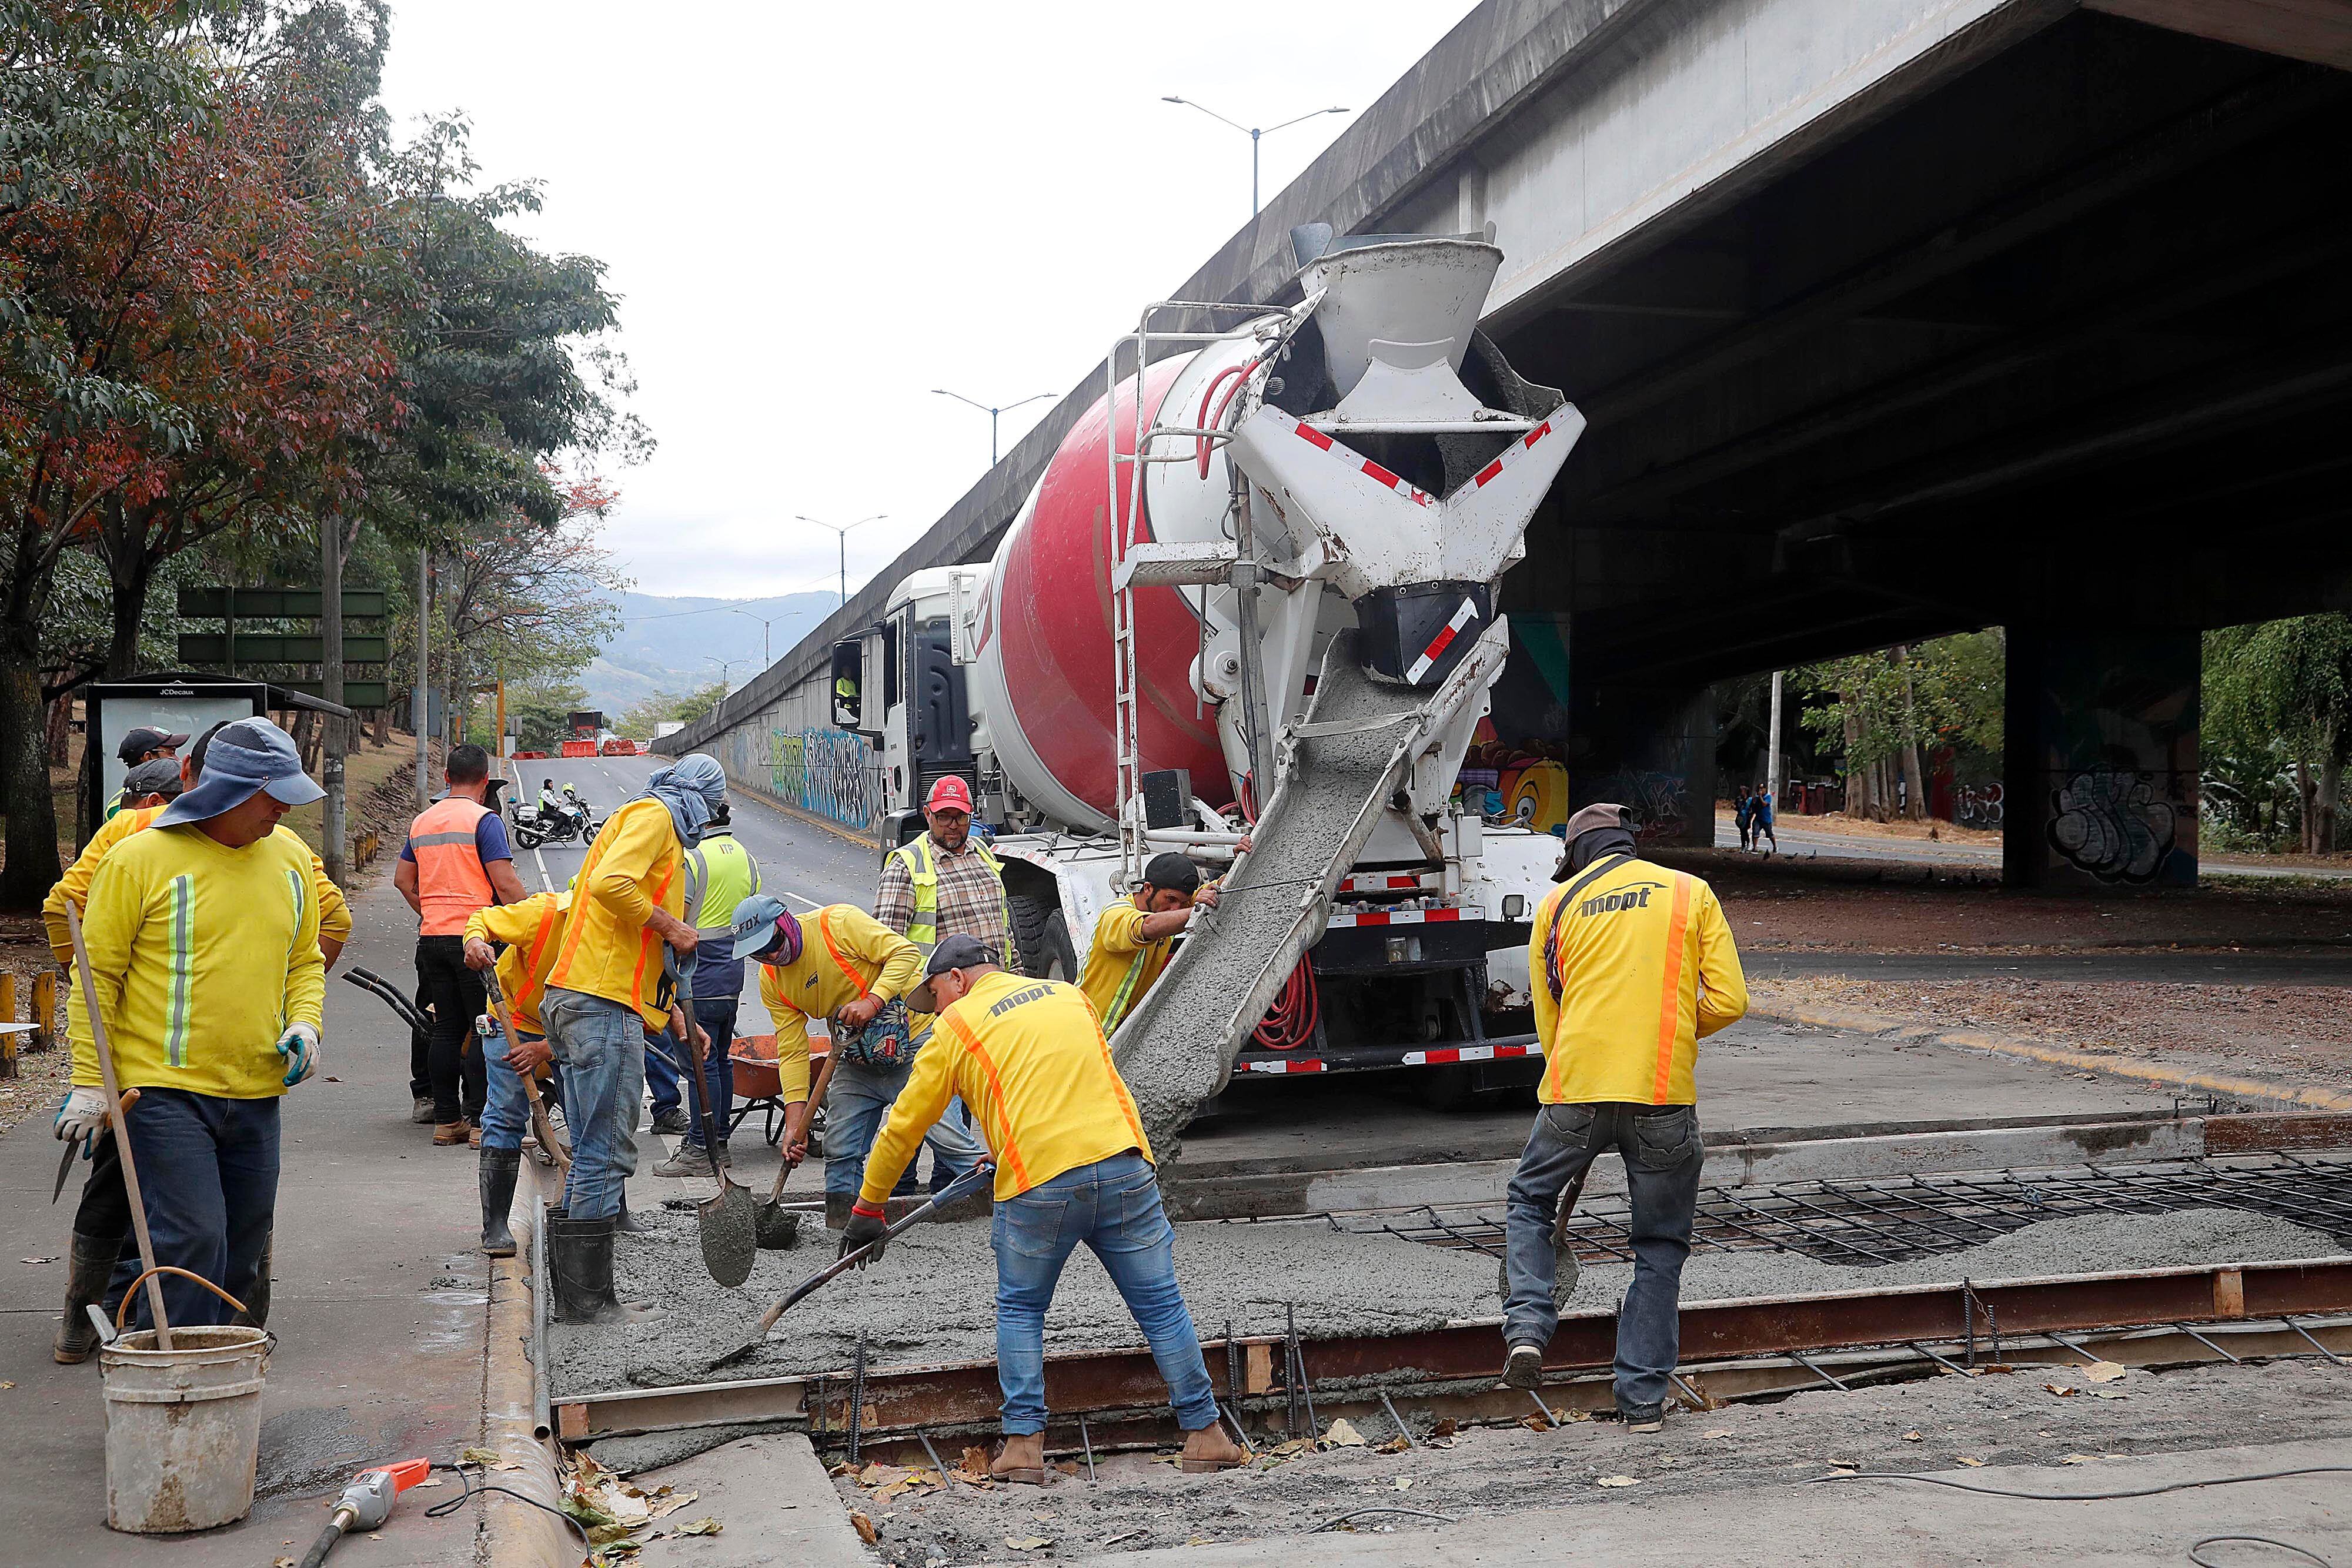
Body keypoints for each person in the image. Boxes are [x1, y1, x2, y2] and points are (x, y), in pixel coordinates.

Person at [841, 935, 1244, 1481]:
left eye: (934, 994)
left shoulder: (955, 1025)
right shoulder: (1067, 995)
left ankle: (1025, 1447)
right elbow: (1070, 1081)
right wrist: (1004, 1140)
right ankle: (1206, 1434)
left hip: (1039, 1183)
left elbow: (903, 1126)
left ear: (957, 979)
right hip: (1124, 1162)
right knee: (1162, 1305)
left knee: (1022, 1309)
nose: (935, 1008)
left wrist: (869, 1206)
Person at [43, 721, 348, 1361]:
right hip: (162, 1093)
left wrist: (304, 1024)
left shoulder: (290, 856)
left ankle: (223, 1386)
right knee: (189, 1245)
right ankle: (165, 1386)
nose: (283, 809)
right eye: (269, 797)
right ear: (215, 791)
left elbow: (303, 961)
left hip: (258, 1091)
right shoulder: (138, 859)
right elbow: (94, 978)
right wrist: (90, 1082)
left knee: (243, 1250)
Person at [1501, 803, 1747, 1431]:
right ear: (1627, 846)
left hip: (1575, 1090)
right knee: (1659, 1248)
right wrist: (1669, 1034)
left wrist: (1573, 1087)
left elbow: (1549, 1017)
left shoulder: (1556, 906)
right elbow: (1730, 999)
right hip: (1661, 1094)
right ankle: (1640, 1404)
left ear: (1579, 857)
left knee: (1530, 1201)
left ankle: (1528, 1325)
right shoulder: (1691, 893)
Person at [537, 755, 726, 1321]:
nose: (709, 819)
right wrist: (672, 924)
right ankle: (589, 1303)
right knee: (604, 1151)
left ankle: (573, 1296)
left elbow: (634, 947)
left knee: (591, 1148)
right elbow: (610, 883)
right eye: (713, 806)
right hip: (600, 1004)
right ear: (697, 796)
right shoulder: (655, 816)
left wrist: (674, 1019)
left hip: (581, 995)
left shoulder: (640, 818)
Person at [725, 893, 984, 1226]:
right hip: (856, 1055)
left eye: (773, 942)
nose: (772, 955)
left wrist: (873, 1001)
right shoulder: (772, 981)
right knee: (839, 1143)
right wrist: (795, 1121)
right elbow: (791, 1050)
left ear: (785, 921)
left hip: (912, 1041)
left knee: (944, 1133)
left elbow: (904, 953)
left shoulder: (837, 924)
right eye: (760, 952)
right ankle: (846, 1223)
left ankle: (1002, 1199)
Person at [874, 774, 1006, 1193]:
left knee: (965, 1090)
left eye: (961, 816)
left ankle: (950, 1184)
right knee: (924, 1095)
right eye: (945, 816)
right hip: (931, 1004)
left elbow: (1002, 928)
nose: (953, 824)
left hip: (984, 999)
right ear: (928, 814)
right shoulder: (907, 864)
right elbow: (885, 940)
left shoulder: (983, 855)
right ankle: (901, 1184)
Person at [395, 744, 527, 1145]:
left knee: (446, 1028)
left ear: (447, 777)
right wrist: (532, 920)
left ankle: (447, 1120)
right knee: (483, 1027)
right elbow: (504, 883)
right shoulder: (484, 820)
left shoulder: (422, 821)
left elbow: (403, 880)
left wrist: (431, 909)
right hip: (476, 941)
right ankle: (479, 1122)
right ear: (486, 780)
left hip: (432, 938)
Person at [648, 801, 763, 1171]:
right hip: (732, 977)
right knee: (722, 1062)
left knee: (701, 1064)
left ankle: (701, 1146)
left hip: (695, 978)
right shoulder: (747, 858)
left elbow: (673, 919)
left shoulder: (693, 858)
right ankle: (721, 1144)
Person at [463, 888, 573, 1256]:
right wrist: (475, 942)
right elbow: (481, 920)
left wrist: (547, 1049)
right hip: (512, 1017)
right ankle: (495, 1224)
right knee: (507, 1111)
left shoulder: (615, 929)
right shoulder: (542, 914)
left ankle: (606, 1211)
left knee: (593, 1111)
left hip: (571, 1026)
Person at [1079, 851, 1220, 1036]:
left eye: (1183, 902)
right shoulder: (1115, 914)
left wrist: (1240, 859)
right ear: (1147, 888)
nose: (1175, 908)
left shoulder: (1172, 907)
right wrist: (1194, 912)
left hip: (1122, 1036)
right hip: (1087, 1030)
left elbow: (1214, 889)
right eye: (1171, 899)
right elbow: (1146, 926)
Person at [105, 727, 188, 821]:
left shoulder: (134, 794)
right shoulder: (119, 808)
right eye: (172, 753)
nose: (177, 759)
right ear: (148, 758)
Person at [1752, 787, 1778, 856]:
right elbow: (1754, 807)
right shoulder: (1757, 798)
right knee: (1755, 833)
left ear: (1765, 790)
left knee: (1769, 834)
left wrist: (1760, 797)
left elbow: (1764, 804)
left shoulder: (1768, 797)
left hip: (1766, 820)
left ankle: (1775, 847)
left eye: (1762, 789)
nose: (1760, 791)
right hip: (1758, 819)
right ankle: (1755, 847)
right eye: (1759, 789)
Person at [1732, 787, 1753, 852]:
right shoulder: (1739, 799)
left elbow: (1753, 810)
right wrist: (1734, 808)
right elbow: (1736, 807)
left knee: (1744, 831)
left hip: (1747, 817)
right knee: (1743, 831)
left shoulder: (1750, 800)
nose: (1742, 793)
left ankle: (1746, 844)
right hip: (1741, 817)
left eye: (1743, 791)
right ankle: (1744, 845)